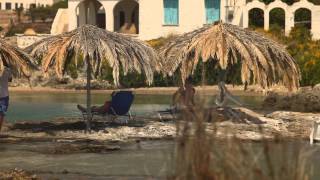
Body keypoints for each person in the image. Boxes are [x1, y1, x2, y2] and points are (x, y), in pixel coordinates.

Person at [0, 67, 12, 132]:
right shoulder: (8, 69)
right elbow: (10, 79)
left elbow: (10, 79)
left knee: (1, 115)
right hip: (4, 97)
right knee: (1, 115)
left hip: (4, 97)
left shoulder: (7, 69)